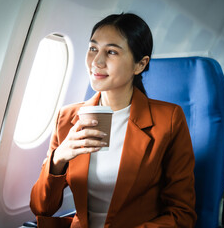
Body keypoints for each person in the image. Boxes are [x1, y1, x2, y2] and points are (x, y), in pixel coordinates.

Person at [30, 13, 197, 228]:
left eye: (111, 52)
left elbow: (182, 214)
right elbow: (41, 208)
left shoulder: (169, 120)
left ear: (140, 65)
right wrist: (59, 158)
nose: (97, 61)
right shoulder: (68, 117)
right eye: (93, 49)